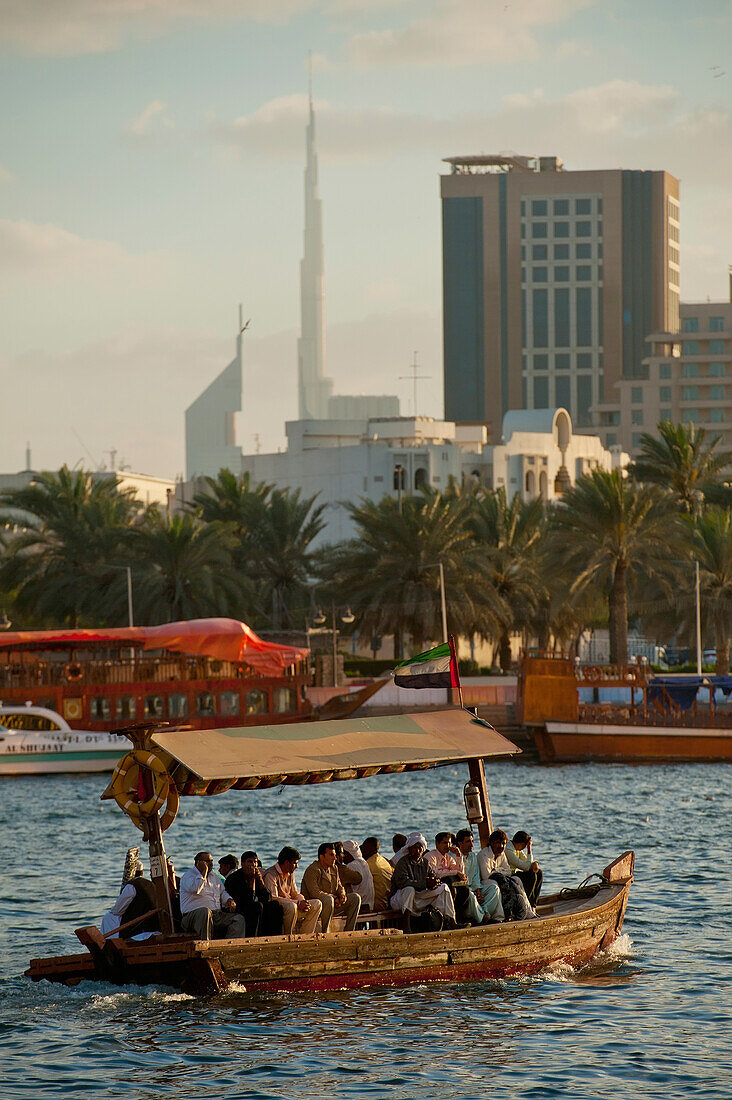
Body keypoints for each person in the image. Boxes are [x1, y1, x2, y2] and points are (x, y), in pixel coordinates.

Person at [389, 832, 456, 927]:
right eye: (414, 848)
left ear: (423, 849)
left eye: (419, 848)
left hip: (418, 897)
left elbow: (432, 876)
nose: (417, 851)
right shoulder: (403, 862)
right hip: (400, 899)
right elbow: (402, 882)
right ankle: (406, 925)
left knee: (444, 887)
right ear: (409, 849)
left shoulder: (425, 863)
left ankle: (451, 921)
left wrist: (435, 882)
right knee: (409, 889)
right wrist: (424, 883)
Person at [179, 851, 246, 939]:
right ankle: (206, 946)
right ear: (198, 863)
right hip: (193, 916)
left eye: (211, 861)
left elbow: (222, 893)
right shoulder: (188, 876)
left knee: (238, 919)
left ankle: (228, 947)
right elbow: (196, 888)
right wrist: (203, 873)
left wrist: (229, 900)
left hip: (216, 915)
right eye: (207, 861)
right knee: (205, 912)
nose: (210, 864)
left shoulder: (214, 877)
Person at [302, 842, 361, 932]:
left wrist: (342, 895)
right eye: (331, 855)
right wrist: (334, 898)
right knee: (328, 899)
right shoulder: (313, 870)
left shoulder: (334, 868)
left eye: (335, 855)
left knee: (355, 898)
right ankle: (326, 933)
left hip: (333, 905)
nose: (335, 858)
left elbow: (339, 885)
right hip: (316, 908)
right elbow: (315, 893)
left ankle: (349, 931)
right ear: (322, 857)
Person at [263, 846, 322, 935]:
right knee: (291, 907)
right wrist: (297, 903)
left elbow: (294, 893)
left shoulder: (290, 873)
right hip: (280, 910)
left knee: (317, 904)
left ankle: (305, 935)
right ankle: (287, 936)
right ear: (287, 862)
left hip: (293, 905)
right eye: (295, 863)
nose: (297, 866)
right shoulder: (270, 874)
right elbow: (273, 898)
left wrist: (302, 901)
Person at [478, 831, 535, 922]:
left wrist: (497, 871)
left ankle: (528, 912)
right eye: (498, 843)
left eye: (503, 843)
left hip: (499, 878)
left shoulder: (502, 853)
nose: (501, 846)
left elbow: (509, 871)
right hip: (485, 883)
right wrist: (499, 872)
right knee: (495, 883)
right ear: (492, 843)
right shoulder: (483, 855)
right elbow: (486, 875)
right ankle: (500, 916)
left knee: (516, 879)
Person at [225, 851, 283, 937]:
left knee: (275, 905)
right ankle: (252, 938)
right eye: (250, 861)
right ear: (242, 864)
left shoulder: (256, 876)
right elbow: (248, 901)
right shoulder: (234, 878)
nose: (253, 865)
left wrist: (260, 882)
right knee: (256, 906)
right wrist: (252, 881)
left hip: (251, 905)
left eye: (255, 862)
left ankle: (274, 937)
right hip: (238, 908)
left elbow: (267, 898)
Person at [426, 831, 475, 925]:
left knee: (465, 890)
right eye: (444, 843)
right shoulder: (431, 856)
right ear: (437, 844)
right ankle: (450, 921)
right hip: (433, 885)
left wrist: (458, 855)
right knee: (450, 886)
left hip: (447, 884)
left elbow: (460, 872)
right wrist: (455, 872)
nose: (447, 845)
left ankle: (458, 919)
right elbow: (436, 873)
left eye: (449, 843)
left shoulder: (448, 858)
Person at [455, 828, 503, 923]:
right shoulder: (453, 856)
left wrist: (478, 892)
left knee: (494, 888)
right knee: (471, 895)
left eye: (472, 841)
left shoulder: (472, 856)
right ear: (460, 843)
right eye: (468, 841)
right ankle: (484, 918)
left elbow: (476, 876)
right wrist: (473, 892)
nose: (472, 844)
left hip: (473, 889)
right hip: (462, 891)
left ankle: (482, 912)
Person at [100, 861, 160, 938]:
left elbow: (117, 910)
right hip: (152, 924)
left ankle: (109, 942)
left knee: (108, 917)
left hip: (138, 926)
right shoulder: (151, 884)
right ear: (141, 872)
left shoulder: (132, 886)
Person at [506, 831, 543, 906]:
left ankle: (533, 904)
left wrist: (535, 863)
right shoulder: (508, 850)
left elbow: (529, 864)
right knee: (531, 875)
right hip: (509, 876)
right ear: (521, 844)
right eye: (525, 846)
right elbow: (526, 867)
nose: (524, 848)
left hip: (515, 874)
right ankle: (527, 904)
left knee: (539, 873)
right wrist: (529, 849)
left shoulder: (517, 849)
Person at [361, 837, 393, 911]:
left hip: (376, 905)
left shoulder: (368, 864)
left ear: (374, 849)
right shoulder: (384, 861)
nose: (363, 850)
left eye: (365, 848)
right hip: (387, 902)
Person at [342, 840, 374, 911]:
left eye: (343, 853)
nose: (342, 856)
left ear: (349, 853)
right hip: (369, 904)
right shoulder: (363, 862)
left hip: (360, 905)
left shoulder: (352, 865)